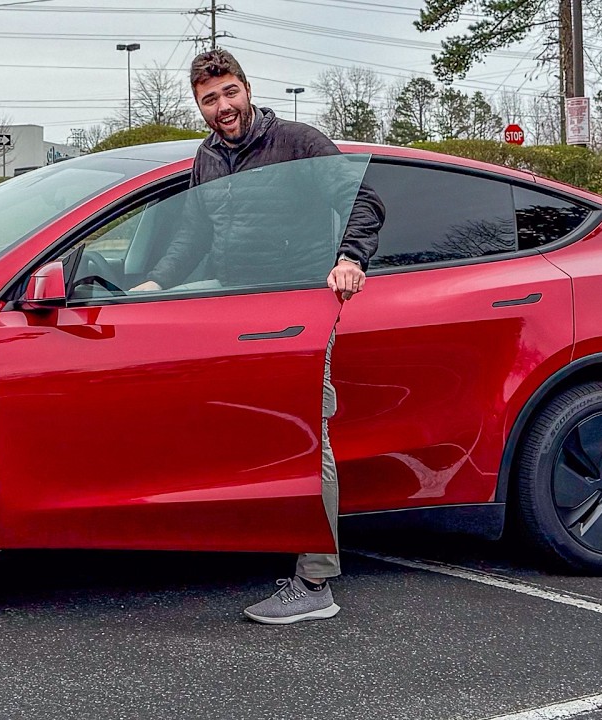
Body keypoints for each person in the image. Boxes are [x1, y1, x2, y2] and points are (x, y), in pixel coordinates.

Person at [131, 49, 384, 625]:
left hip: (295, 310)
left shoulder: (296, 143)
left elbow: (362, 200)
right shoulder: (207, 158)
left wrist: (350, 258)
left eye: (229, 93)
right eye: (210, 100)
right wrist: (157, 282)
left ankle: (315, 581)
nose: (223, 107)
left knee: (306, 434)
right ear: (200, 106)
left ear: (248, 88)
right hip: (235, 310)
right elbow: (194, 232)